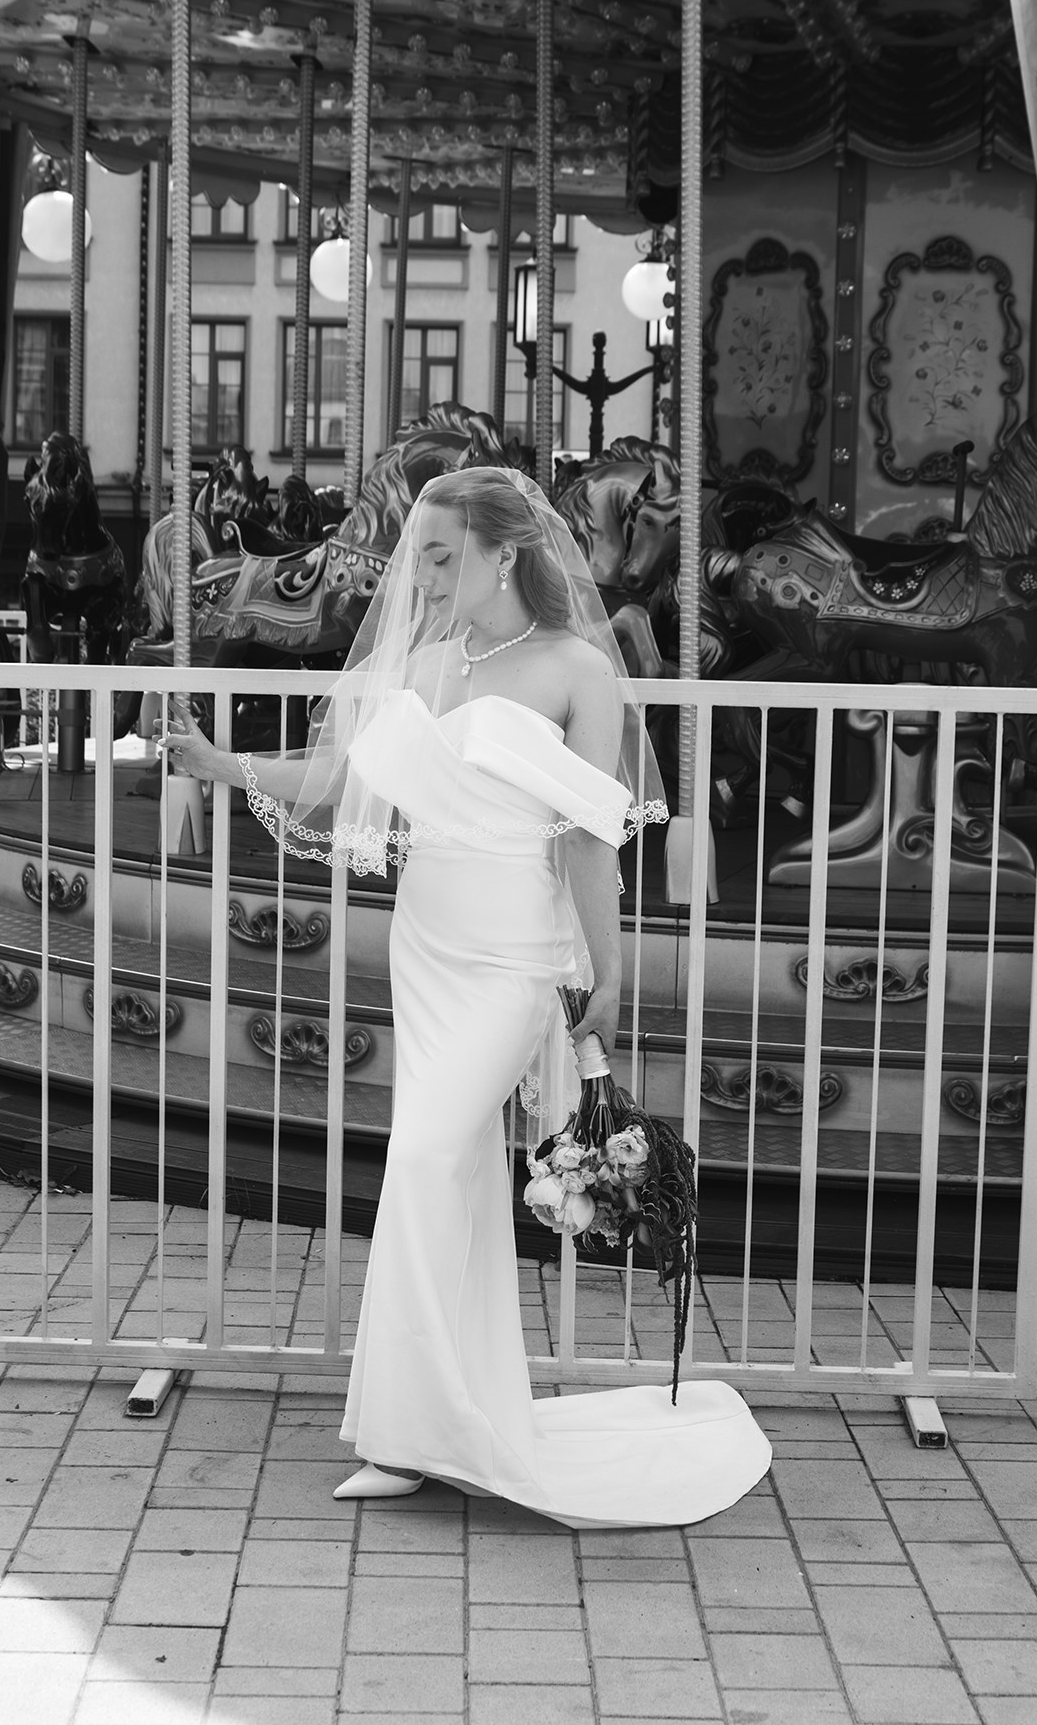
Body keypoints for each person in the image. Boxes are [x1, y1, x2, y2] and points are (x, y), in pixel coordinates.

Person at [162, 464, 771, 1528]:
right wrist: (223, 765)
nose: (424, 576)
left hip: (511, 950)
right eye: (421, 557)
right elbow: (345, 777)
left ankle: (412, 1431)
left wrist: (608, 970)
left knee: (426, 1158)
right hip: (428, 941)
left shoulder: (578, 667)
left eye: (442, 557)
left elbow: (587, 835)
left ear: (506, 552)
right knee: (452, 1176)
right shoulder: (427, 665)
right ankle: (446, 1416)